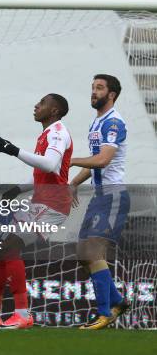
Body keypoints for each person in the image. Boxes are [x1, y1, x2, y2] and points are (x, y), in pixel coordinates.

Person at [0, 94, 73, 329]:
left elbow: (51, 164)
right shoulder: (45, 134)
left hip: (53, 205)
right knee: (1, 250)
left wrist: (13, 150)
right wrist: (18, 189)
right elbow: (44, 174)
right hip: (40, 201)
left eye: (42, 103)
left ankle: (23, 314)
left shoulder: (58, 132)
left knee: (11, 245)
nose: (36, 105)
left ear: (54, 111)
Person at [70, 74, 130, 329]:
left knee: (93, 252)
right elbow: (95, 162)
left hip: (113, 196)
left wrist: (69, 160)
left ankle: (104, 313)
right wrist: (73, 184)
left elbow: (103, 159)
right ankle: (118, 301)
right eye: (93, 87)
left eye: (99, 88)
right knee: (84, 255)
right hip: (99, 196)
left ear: (112, 94)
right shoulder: (97, 123)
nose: (94, 92)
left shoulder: (114, 122)